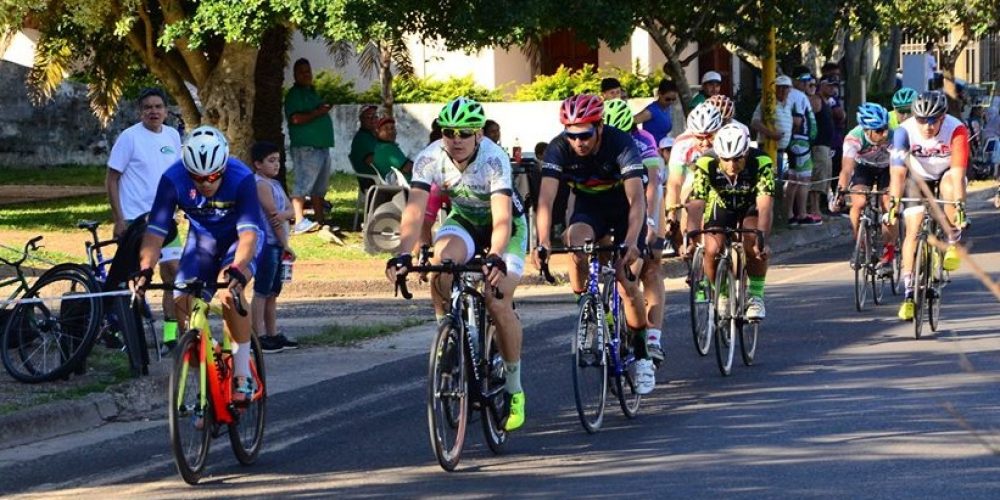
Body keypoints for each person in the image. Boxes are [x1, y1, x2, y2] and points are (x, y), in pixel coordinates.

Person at [385, 97, 528, 431]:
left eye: (465, 132)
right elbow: (415, 211)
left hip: (506, 228)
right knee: (440, 264)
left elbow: (503, 219)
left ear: (478, 134)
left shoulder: (494, 159)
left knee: (496, 299)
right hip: (464, 220)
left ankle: (514, 388)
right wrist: (403, 253)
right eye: (450, 132)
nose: (457, 139)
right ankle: (447, 334)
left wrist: (494, 256)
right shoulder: (430, 157)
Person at [531, 94, 655, 394]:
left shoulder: (620, 144)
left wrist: (630, 242)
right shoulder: (558, 148)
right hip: (590, 205)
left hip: (625, 207)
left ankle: (642, 355)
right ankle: (588, 311)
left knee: (626, 281)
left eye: (585, 135)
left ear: (599, 127)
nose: (578, 142)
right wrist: (543, 241)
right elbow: (545, 201)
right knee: (575, 244)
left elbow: (637, 200)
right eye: (571, 135)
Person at [132, 125, 265, 402]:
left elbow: (250, 234)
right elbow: (155, 231)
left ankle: (242, 374)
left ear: (224, 166)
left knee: (231, 293)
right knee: (183, 302)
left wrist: (238, 269)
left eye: (213, 176)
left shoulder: (241, 178)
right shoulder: (172, 179)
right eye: (198, 178)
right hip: (202, 242)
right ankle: (208, 369)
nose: (206, 183)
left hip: (239, 241)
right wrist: (144, 268)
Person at [106, 87, 182, 352]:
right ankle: (132, 335)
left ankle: (171, 336)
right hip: (137, 221)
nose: (154, 111)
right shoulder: (129, 138)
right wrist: (119, 218)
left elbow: (178, 176)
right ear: (140, 111)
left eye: (158, 106)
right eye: (148, 107)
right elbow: (112, 179)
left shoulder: (173, 136)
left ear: (166, 110)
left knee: (173, 274)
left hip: (166, 219)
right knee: (138, 280)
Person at [888, 91, 968, 321]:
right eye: (922, 120)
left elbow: (959, 170)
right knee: (912, 231)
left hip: (946, 173)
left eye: (933, 120)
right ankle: (908, 293)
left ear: (943, 117)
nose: (928, 126)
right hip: (917, 177)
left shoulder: (956, 128)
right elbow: (897, 173)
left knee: (951, 186)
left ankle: (952, 240)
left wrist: (960, 207)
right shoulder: (904, 130)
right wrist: (893, 205)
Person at [603, 98, 668, 361]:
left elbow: (651, 186)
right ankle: (608, 315)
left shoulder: (644, 140)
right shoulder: (600, 143)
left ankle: (653, 337)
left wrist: (651, 223)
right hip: (616, 202)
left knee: (650, 265)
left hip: (647, 200)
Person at [690, 124, 775, 319]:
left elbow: (765, 206)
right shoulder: (705, 163)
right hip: (721, 204)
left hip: (750, 205)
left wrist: (763, 240)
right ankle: (722, 295)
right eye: (725, 160)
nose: (731, 166)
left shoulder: (761, 162)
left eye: (737, 159)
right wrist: (692, 235)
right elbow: (696, 203)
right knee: (712, 249)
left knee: (753, 240)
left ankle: (755, 296)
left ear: (746, 153)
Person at [832, 103, 897, 276]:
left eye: (884, 128)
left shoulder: (894, 136)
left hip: (888, 168)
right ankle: (860, 246)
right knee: (858, 202)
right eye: (878, 131)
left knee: (889, 205)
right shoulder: (854, 138)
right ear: (866, 130)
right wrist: (841, 192)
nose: (883, 134)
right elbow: (846, 169)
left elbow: (900, 169)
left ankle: (888, 254)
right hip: (864, 168)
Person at [248, 142, 299, 353]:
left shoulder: (275, 184)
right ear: (258, 164)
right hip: (268, 244)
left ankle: (272, 332)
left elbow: (289, 210)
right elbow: (273, 217)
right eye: (271, 160)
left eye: (278, 160)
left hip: (276, 245)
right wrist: (285, 244)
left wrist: (285, 214)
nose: (276, 165)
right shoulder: (260, 184)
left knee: (273, 291)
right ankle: (257, 335)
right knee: (262, 291)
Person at [667, 103, 725, 256]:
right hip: (694, 177)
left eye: (710, 136)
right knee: (688, 195)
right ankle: (693, 252)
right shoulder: (682, 144)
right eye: (699, 137)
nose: (705, 143)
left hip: (722, 177)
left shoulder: (726, 139)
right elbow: (675, 182)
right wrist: (671, 213)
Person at [285, 58, 334, 235]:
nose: (306, 75)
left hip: (322, 146)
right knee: (303, 184)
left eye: (308, 71)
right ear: (295, 75)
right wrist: (318, 112)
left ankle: (320, 220)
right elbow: (295, 118)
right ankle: (299, 221)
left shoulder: (312, 92)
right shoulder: (294, 94)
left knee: (318, 188)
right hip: (306, 147)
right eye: (302, 72)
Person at [806, 73, 836, 220]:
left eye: (834, 86)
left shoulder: (827, 102)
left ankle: (820, 208)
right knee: (817, 178)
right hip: (818, 145)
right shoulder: (816, 100)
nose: (832, 89)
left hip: (826, 145)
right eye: (829, 85)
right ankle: (814, 209)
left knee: (825, 179)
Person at [635, 79, 680, 145]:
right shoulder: (650, 111)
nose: (671, 102)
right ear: (659, 94)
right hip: (651, 151)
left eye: (673, 99)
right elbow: (632, 121)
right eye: (667, 99)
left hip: (662, 148)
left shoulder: (667, 108)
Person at [371, 116, 413, 182]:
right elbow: (407, 168)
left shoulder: (377, 146)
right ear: (378, 132)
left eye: (392, 128)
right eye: (386, 128)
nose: (391, 131)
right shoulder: (388, 148)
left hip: (390, 183)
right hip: (405, 186)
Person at [348, 105, 380, 190]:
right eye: (369, 117)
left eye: (375, 116)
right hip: (372, 181)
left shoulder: (372, 136)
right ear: (361, 119)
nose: (373, 120)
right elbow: (372, 161)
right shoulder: (362, 139)